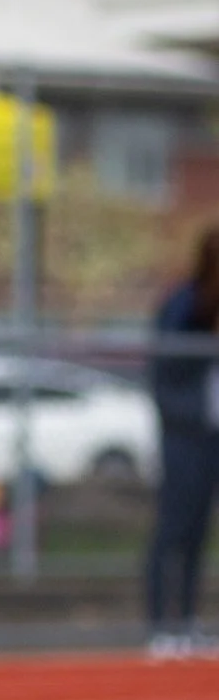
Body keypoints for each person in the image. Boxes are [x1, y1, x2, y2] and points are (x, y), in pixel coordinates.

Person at [147, 226, 219, 657]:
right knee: (173, 526)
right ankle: (160, 623)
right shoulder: (184, 305)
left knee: (198, 530)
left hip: (211, 434)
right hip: (183, 435)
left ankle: (188, 618)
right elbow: (166, 368)